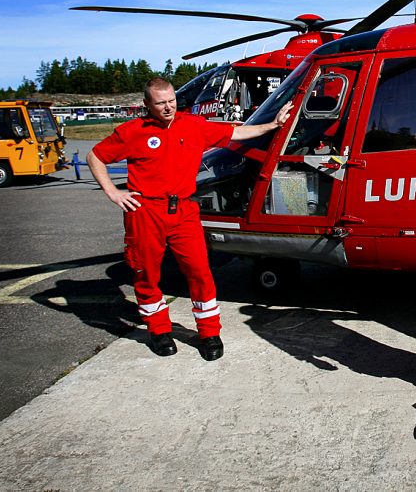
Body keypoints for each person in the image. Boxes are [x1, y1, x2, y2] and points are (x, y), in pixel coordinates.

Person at [87, 77, 292, 361]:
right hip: (146, 211)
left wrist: (272, 125)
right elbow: (95, 156)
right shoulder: (132, 131)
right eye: (160, 103)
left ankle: (209, 333)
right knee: (146, 273)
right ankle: (159, 331)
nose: (168, 106)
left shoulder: (193, 125)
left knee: (200, 272)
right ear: (147, 104)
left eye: (171, 100)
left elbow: (236, 133)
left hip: (184, 210)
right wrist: (113, 193)